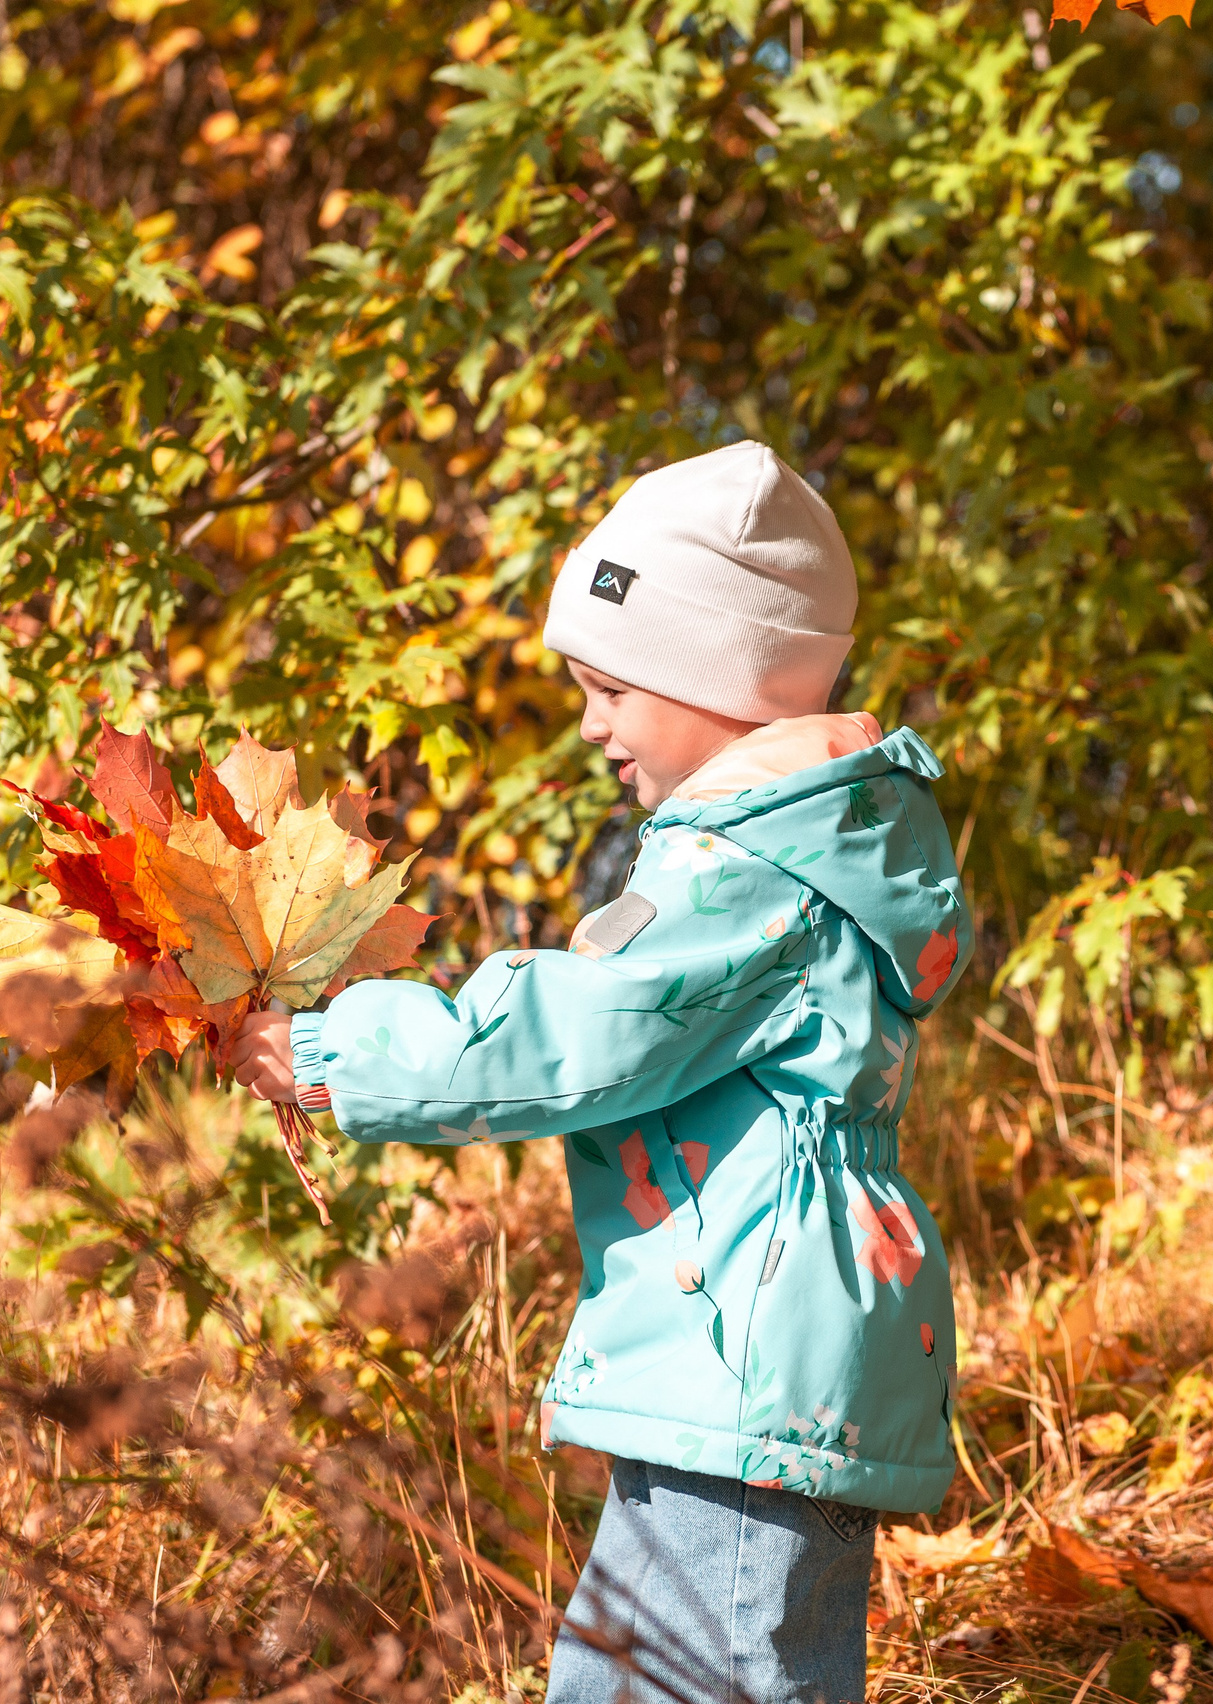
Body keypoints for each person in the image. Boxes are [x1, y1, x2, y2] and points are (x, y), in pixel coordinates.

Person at [233, 441, 973, 1703]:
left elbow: (571, 1033)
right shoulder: (808, 847)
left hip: (749, 1353)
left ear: (719, 676)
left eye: (612, 687)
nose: (591, 724)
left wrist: (324, 1050)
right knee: (623, 1677)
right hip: (744, 1346)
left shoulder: (752, 875)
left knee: (707, 1672)